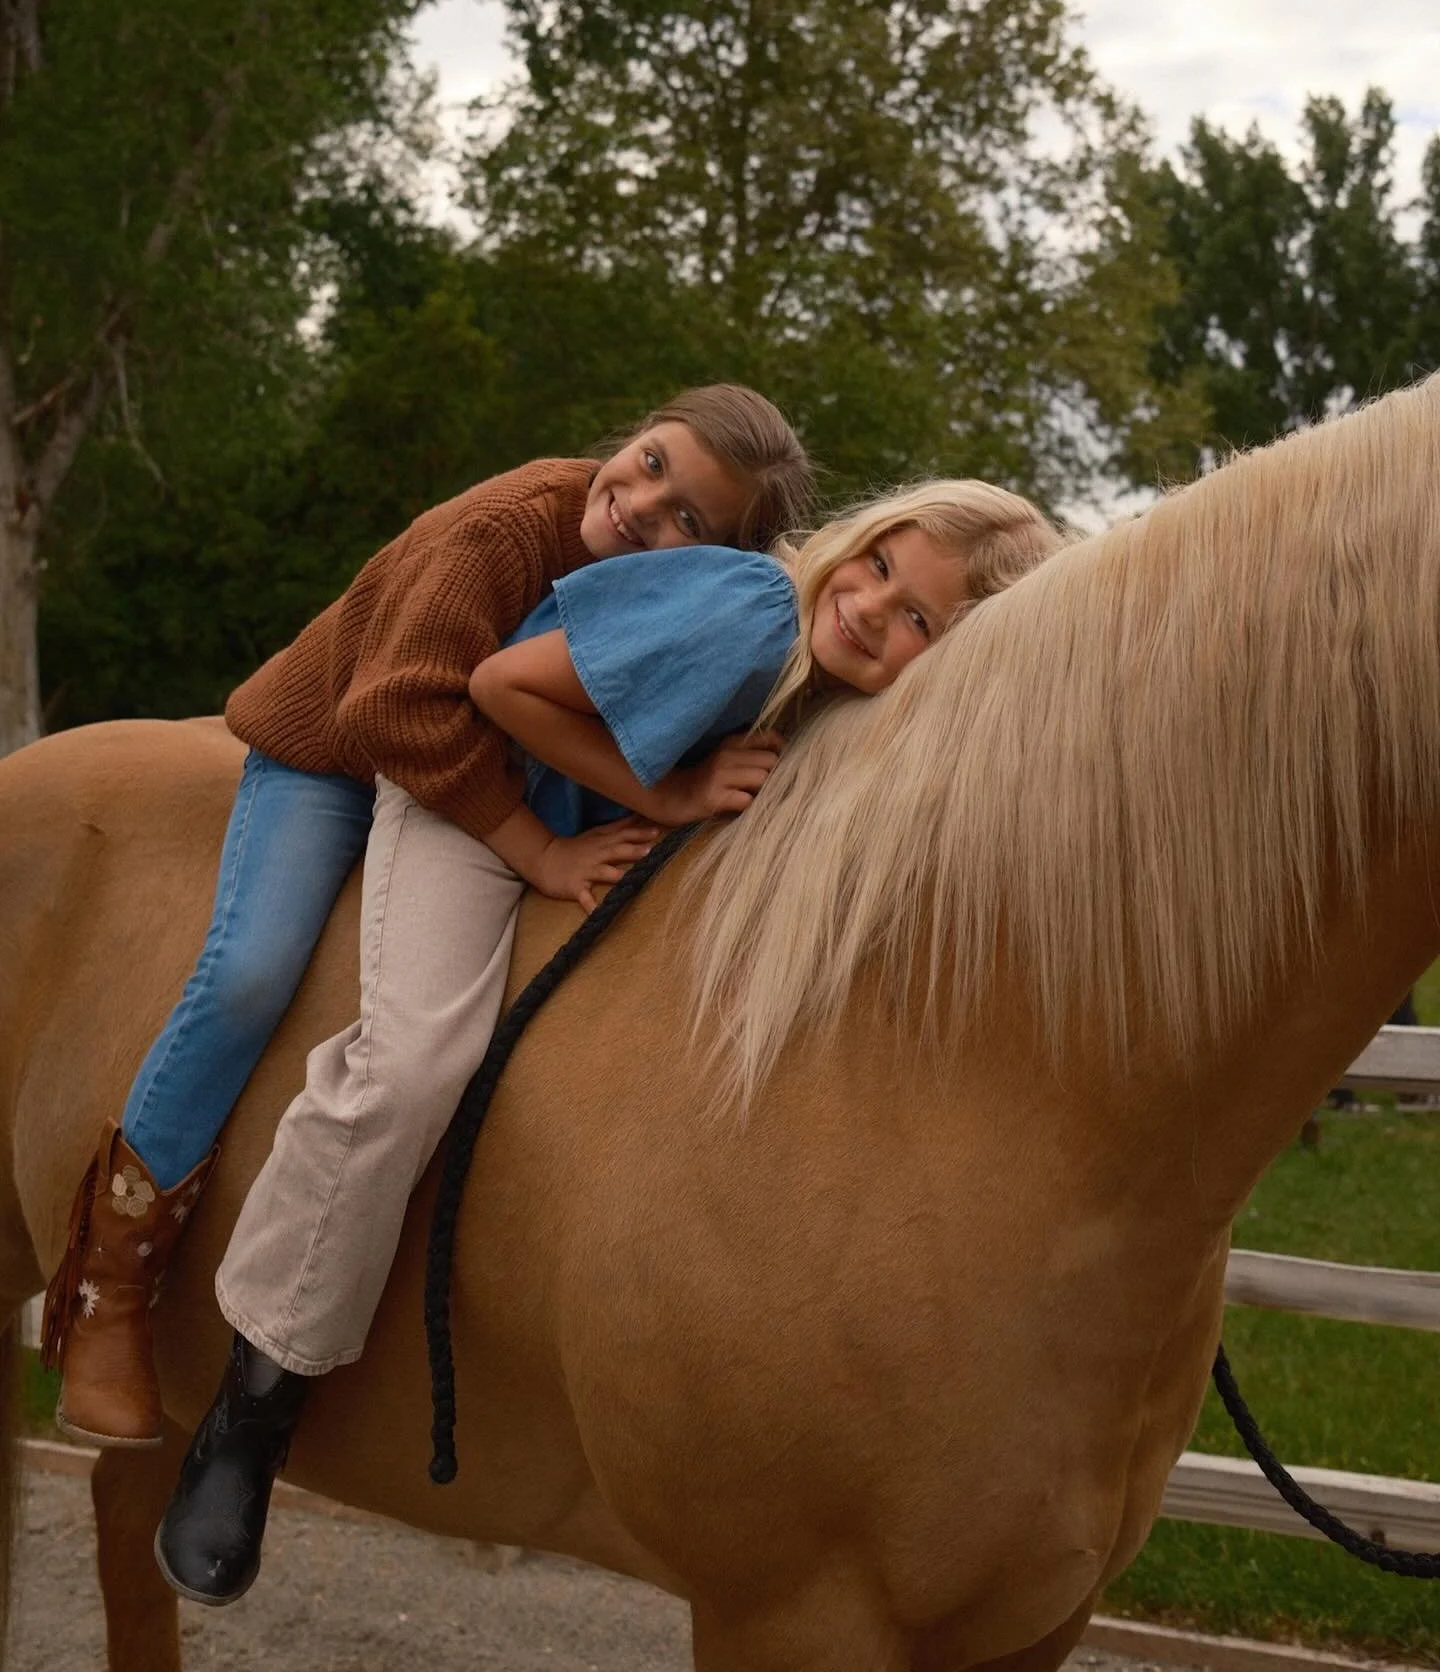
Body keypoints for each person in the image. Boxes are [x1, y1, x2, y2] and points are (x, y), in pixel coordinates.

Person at [152, 477, 1065, 1606]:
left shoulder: (838, 697)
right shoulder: (750, 608)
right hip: (482, 801)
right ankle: (251, 1409)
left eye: (920, 618)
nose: (875, 609)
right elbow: (500, 687)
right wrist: (672, 792)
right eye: (880, 565)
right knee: (406, 1069)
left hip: (601, 834)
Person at [41, 383, 815, 1457]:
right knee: (253, 972)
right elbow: (394, 711)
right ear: (630, 438)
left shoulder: (668, 600)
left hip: (465, 772)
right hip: (339, 755)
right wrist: (537, 849)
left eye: (688, 517)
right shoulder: (510, 528)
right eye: (648, 462)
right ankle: (106, 1295)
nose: (642, 506)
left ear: (715, 558)